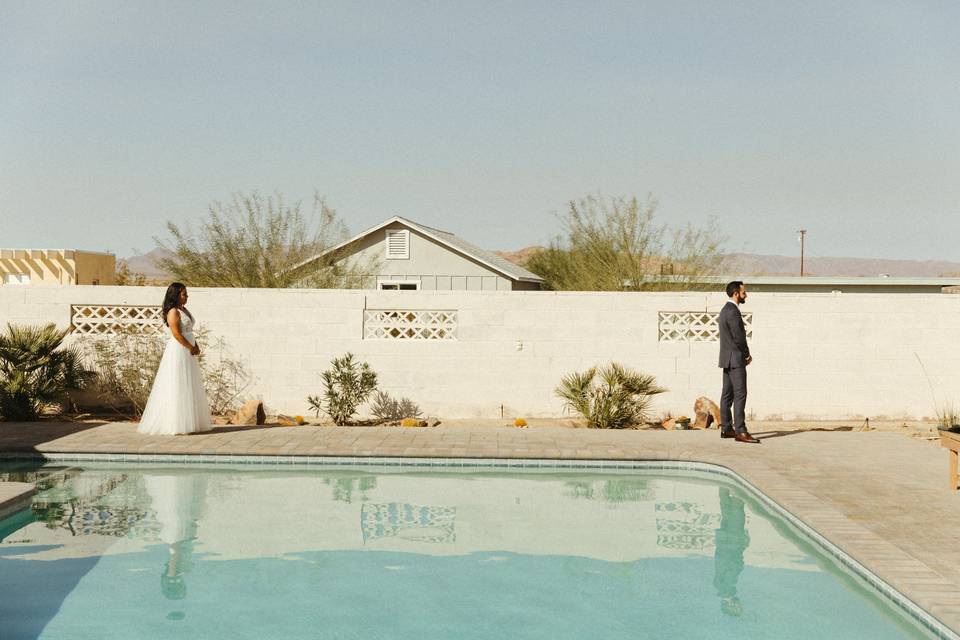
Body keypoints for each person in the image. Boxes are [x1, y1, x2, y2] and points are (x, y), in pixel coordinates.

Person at [138, 283, 211, 435]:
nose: (187, 297)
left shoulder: (184, 310)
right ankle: (176, 424)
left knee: (189, 384)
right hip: (179, 350)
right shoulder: (173, 312)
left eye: (186, 294)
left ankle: (191, 421)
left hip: (189, 348)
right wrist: (190, 347)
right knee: (178, 384)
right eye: (184, 294)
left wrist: (195, 345)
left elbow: (189, 331)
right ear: (176, 295)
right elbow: (177, 334)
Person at [718, 281, 760, 443]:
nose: (746, 295)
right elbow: (739, 337)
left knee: (727, 395)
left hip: (726, 359)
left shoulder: (724, 310)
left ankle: (726, 428)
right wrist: (747, 355)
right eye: (743, 292)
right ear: (736, 293)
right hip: (736, 359)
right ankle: (741, 431)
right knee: (740, 394)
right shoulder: (733, 311)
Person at [713, 486, 749, 616]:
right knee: (726, 509)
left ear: (731, 606)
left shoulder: (728, 587)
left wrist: (743, 544)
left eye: (738, 607)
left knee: (737, 507)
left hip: (733, 542)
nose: (740, 604)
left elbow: (734, 564)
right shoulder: (717, 585)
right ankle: (723, 483)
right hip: (723, 541)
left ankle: (736, 483)